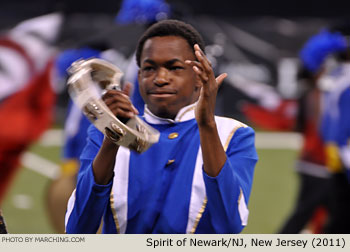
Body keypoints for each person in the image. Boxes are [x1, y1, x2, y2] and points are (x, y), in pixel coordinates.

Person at [65, 19, 258, 234]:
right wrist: (112, 139)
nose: (160, 78)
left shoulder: (233, 134)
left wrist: (207, 126)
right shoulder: (102, 133)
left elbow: (230, 225)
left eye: (174, 68)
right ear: (139, 77)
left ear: (199, 76)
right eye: (149, 68)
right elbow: (78, 230)